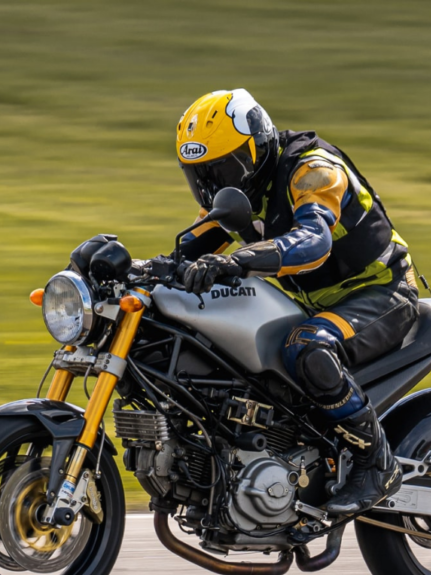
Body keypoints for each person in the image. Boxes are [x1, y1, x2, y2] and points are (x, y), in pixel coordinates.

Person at [175, 89, 418, 514]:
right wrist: (137, 269)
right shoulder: (238, 197)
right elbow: (189, 247)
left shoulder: (312, 171)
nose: (216, 186)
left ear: (257, 147)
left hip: (380, 291)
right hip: (316, 301)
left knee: (307, 346)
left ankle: (377, 461)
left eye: (224, 169)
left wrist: (239, 261)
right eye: (202, 175)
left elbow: (313, 241)